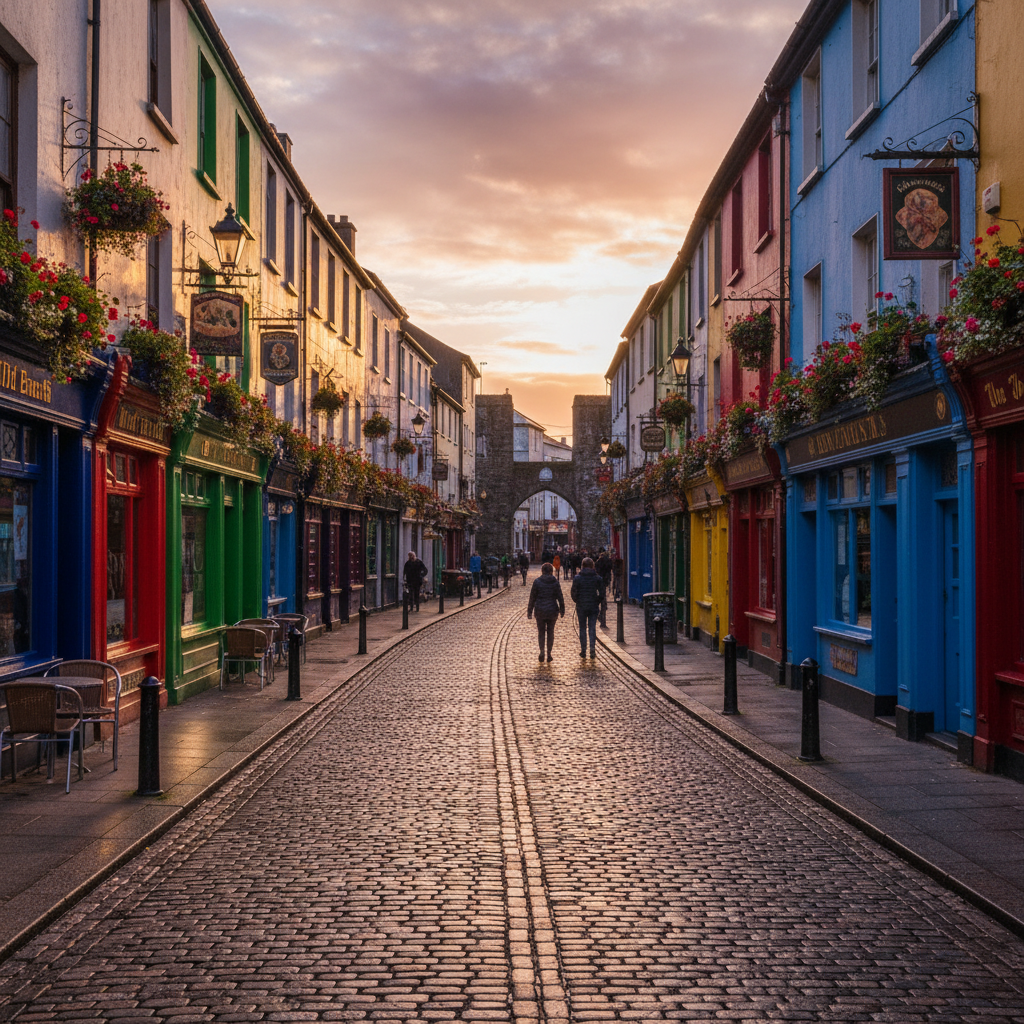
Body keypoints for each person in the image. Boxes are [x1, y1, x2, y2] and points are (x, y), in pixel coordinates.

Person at [527, 562, 565, 662]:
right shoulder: (555, 582)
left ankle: (542, 651)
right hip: (552, 610)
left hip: (540, 610)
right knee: (551, 632)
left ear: (542, 571)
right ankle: (549, 653)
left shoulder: (537, 582)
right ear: (551, 571)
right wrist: (562, 609)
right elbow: (560, 597)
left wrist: (530, 611)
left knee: (541, 632)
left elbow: (532, 598)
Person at [571, 556, 606, 659]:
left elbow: (573, 592)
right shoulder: (597, 578)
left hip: (581, 606)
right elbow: (602, 593)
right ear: (592, 566)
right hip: (593, 606)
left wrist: (577, 600)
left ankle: (583, 650)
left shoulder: (577, 578)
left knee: (582, 628)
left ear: (582, 566)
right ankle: (592, 649)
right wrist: (597, 601)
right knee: (592, 628)